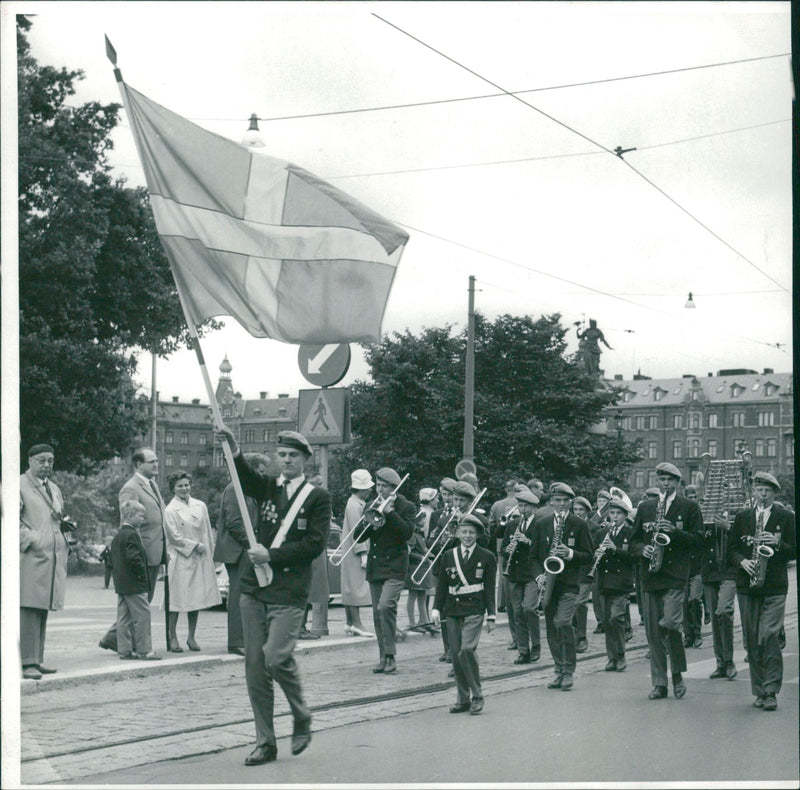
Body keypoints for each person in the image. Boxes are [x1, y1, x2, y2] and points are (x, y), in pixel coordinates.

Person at [215, 424, 331, 765]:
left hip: (289, 591)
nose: (286, 461)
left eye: (293, 455)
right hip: (254, 589)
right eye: (281, 455)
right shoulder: (268, 487)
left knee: (276, 658)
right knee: (254, 667)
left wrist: (271, 555)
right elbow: (245, 479)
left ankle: (301, 714)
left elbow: (314, 544)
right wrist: (234, 450)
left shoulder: (317, 498)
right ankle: (265, 741)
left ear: (305, 460)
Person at [630, 462, 703, 701]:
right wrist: (643, 550)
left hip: (675, 575)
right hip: (651, 575)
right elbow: (633, 541)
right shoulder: (646, 507)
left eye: (670, 480)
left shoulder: (689, 507)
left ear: (678, 482)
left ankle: (677, 675)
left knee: (670, 624)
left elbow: (698, 539)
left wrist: (674, 532)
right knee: (654, 633)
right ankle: (660, 683)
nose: (665, 484)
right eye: (661, 479)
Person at [728, 472, 795, 711]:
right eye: (759, 490)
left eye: (767, 491)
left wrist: (778, 544)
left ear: (774, 493)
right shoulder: (743, 517)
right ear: (754, 492)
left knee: (768, 635)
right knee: (752, 639)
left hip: (775, 585)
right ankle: (759, 690)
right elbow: (732, 549)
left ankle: (771, 690)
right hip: (747, 585)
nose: (763, 495)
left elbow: (794, 551)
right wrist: (743, 562)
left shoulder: (786, 517)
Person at [99, 447, 167, 653]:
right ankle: (119, 639)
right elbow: (128, 520)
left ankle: (115, 639)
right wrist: (133, 552)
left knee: (141, 602)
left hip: (154, 550)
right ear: (138, 464)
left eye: (156, 460)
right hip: (139, 553)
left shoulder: (152, 484)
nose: (156, 464)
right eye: (151, 462)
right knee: (138, 603)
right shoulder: (131, 488)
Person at [431, 514, 496, 715]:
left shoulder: (487, 556)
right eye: (464, 532)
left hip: (475, 609)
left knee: (467, 650)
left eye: (471, 533)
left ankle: (478, 695)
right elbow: (441, 585)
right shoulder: (448, 556)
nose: (468, 536)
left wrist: (491, 614)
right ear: (458, 533)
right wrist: (435, 608)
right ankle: (463, 699)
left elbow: (489, 589)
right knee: (457, 656)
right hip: (453, 610)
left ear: (477, 535)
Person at [531, 482, 593, 691]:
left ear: (570, 502)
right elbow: (533, 557)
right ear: (551, 502)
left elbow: (589, 556)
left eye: (566, 501)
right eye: (557, 500)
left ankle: (568, 671)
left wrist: (570, 553)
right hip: (548, 583)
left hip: (569, 584)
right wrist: (539, 576)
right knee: (550, 628)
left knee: (563, 623)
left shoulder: (579, 524)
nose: (561, 504)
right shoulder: (542, 524)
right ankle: (558, 670)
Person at [356, 467, 416, 675]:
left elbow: (407, 533)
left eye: (383, 486)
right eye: (378, 485)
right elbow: (358, 537)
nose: (379, 489)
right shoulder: (372, 505)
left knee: (385, 606)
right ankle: (383, 657)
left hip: (396, 567)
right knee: (377, 614)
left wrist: (390, 513)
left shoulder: (406, 506)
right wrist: (367, 523)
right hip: (376, 567)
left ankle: (390, 655)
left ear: (394, 487)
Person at [20, 444, 71, 680]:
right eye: (42, 460)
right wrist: (34, 539)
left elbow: (56, 518)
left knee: (42, 607)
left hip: (52, 557)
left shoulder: (54, 488)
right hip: (31, 556)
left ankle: (36, 659)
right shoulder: (19, 485)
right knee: (29, 606)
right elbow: (10, 520)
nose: (47, 465)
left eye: (51, 460)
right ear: (30, 460)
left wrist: (65, 534)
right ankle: (26, 661)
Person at [214, 453, 269, 656]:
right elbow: (235, 523)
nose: (262, 477)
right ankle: (236, 641)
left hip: (244, 548)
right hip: (238, 550)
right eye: (260, 472)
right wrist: (253, 544)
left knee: (247, 594)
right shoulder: (234, 489)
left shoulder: (246, 490)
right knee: (239, 595)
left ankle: (246, 638)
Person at [164, 471, 221, 652]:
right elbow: (173, 537)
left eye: (186, 485)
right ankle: (172, 636)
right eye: (180, 486)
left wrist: (209, 552)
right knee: (176, 599)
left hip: (199, 558)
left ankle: (191, 637)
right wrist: (194, 545)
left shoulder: (200, 505)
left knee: (195, 599)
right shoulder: (170, 510)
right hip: (181, 558)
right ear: (173, 488)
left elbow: (207, 532)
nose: (184, 488)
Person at [112, 500, 162, 661]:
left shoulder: (118, 535)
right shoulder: (133, 535)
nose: (143, 519)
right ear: (130, 516)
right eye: (140, 516)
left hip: (122, 584)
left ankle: (125, 650)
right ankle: (144, 650)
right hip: (135, 584)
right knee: (142, 617)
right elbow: (134, 559)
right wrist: (142, 576)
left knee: (124, 619)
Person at [591, 497, 635, 672]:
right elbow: (593, 554)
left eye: (618, 514)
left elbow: (633, 558)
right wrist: (597, 554)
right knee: (608, 622)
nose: (614, 517)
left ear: (625, 515)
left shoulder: (630, 533)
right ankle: (611, 658)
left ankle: (621, 654)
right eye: (612, 513)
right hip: (604, 582)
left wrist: (615, 549)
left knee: (616, 618)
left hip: (622, 583)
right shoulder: (602, 534)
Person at [501, 488, 541, 664]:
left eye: (525, 506)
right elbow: (502, 548)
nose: (522, 510)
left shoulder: (540, 524)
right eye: (520, 506)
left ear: (533, 507)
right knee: (517, 611)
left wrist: (528, 541)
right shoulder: (512, 525)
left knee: (529, 608)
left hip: (532, 573)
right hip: (515, 573)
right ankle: (523, 650)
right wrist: (507, 549)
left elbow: (543, 549)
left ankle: (536, 646)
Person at [702, 508, 738, 681]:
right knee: (716, 619)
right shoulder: (704, 514)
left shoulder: (737, 512)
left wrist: (729, 527)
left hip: (729, 572)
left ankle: (729, 660)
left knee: (724, 611)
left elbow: (744, 540)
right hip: (710, 572)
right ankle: (721, 663)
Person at [338, 469, 374, 637]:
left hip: (352, 550)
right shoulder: (354, 505)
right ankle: (357, 623)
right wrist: (363, 553)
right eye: (367, 488)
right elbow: (356, 532)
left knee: (350, 586)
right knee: (354, 587)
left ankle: (350, 622)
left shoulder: (355, 503)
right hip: (355, 551)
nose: (370, 491)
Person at [682, 484, 705, 649]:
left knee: (694, 600)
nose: (692, 501)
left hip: (697, 567)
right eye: (689, 497)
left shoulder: (702, 516)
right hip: (682, 568)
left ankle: (697, 633)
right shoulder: (682, 516)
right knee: (683, 602)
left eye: (694, 497)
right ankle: (687, 635)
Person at [571, 495, 594, 653]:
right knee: (570, 603)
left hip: (586, 571)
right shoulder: (569, 525)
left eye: (581, 510)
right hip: (571, 571)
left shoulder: (594, 527)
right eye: (575, 510)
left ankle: (581, 637)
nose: (578, 512)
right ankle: (572, 634)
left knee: (580, 603)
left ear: (587, 511)